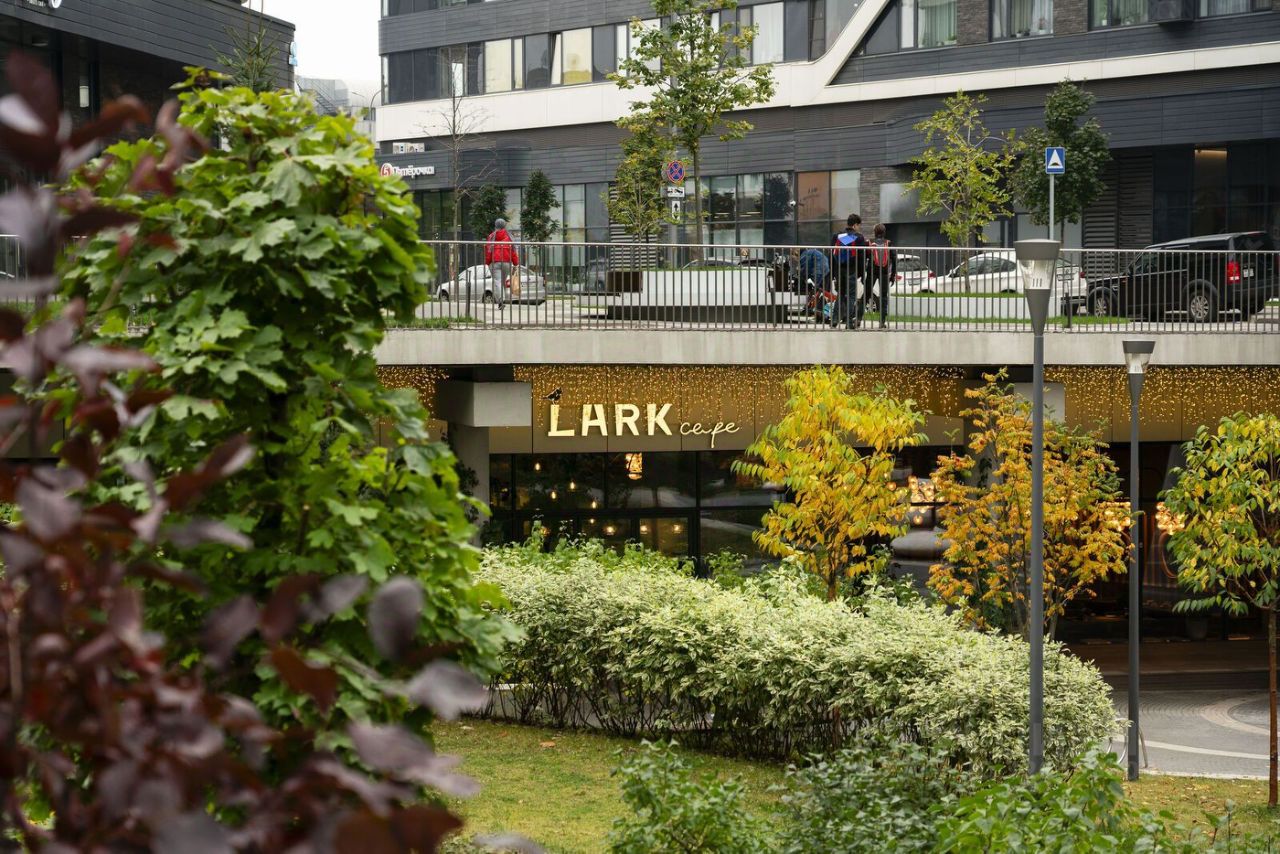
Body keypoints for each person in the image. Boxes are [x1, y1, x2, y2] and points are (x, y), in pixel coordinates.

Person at [831, 214, 868, 328]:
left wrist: (833, 272)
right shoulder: (859, 237)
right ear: (855, 225)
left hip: (839, 269)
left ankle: (834, 319)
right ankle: (848, 321)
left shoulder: (837, 236)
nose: (859, 228)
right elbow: (861, 258)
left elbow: (831, 254)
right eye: (859, 225)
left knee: (841, 294)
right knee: (851, 296)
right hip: (851, 270)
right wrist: (861, 273)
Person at [861, 223, 896, 329]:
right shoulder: (888, 243)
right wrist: (893, 275)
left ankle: (857, 319)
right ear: (884, 232)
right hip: (884, 272)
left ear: (874, 232)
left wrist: (862, 274)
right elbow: (894, 259)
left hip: (871, 271)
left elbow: (863, 259)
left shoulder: (869, 243)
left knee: (866, 295)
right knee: (883, 297)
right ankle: (882, 322)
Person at [483, 218, 519, 311]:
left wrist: (487, 262)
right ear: (504, 225)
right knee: (502, 282)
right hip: (507, 262)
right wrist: (516, 263)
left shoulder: (491, 236)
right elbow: (513, 251)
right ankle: (503, 299)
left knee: (497, 281)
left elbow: (488, 251)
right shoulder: (510, 237)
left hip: (495, 262)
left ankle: (501, 300)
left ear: (495, 225)